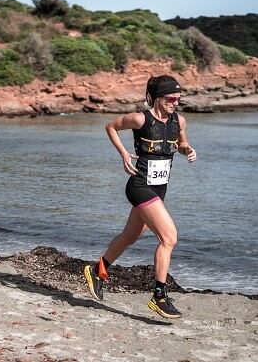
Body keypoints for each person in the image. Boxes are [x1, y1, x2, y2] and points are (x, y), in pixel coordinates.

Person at [83, 75, 198, 319]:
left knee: (131, 236)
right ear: (158, 98)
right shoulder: (140, 118)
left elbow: (182, 142)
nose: (175, 103)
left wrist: (188, 150)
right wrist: (124, 153)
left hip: (159, 189)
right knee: (169, 238)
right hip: (139, 185)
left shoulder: (179, 120)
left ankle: (97, 270)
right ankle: (159, 295)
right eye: (170, 98)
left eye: (178, 99)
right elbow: (111, 126)